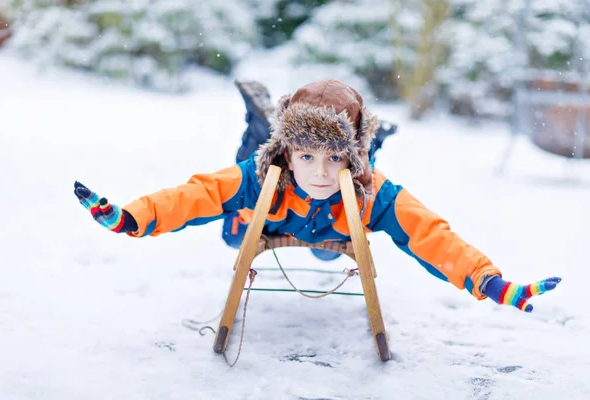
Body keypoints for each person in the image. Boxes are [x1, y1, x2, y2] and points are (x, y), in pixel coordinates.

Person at [74, 79, 561, 313]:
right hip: (267, 219)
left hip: (335, 231)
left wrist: (491, 282)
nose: (321, 173)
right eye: (307, 157)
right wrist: (130, 218)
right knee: (235, 208)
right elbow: (194, 195)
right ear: (291, 153)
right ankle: (260, 122)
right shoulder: (275, 168)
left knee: (332, 259)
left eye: (335, 159)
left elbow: (432, 235)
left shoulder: (373, 192)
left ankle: (372, 137)